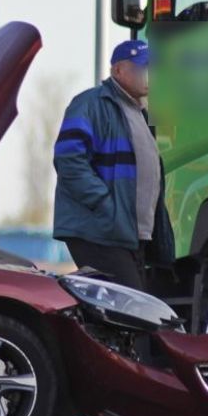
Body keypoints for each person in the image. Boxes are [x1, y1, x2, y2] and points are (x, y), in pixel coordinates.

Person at [52, 39, 175, 290]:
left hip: (128, 234)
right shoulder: (91, 104)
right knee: (131, 308)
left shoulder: (139, 112)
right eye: (141, 67)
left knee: (127, 311)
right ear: (117, 70)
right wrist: (104, 203)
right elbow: (68, 159)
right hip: (100, 231)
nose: (148, 74)